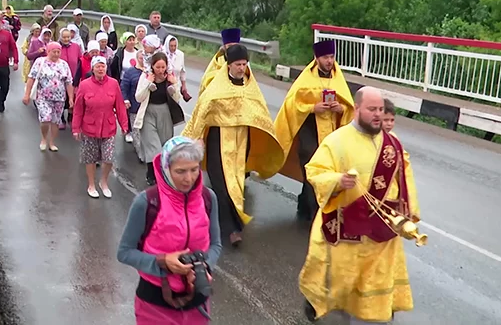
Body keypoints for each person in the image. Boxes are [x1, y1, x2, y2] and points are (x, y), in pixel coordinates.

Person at [299, 86, 420, 324]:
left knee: (376, 289)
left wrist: (408, 212)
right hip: (349, 227)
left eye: (381, 109)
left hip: (382, 231)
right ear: (357, 109)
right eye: (372, 109)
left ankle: (376, 316)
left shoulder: (392, 143)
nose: (378, 114)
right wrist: (336, 181)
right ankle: (321, 303)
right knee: (342, 284)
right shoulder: (337, 140)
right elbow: (315, 172)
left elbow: (403, 177)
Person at [182, 40, 285, 247]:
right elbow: (201, 112)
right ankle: (231, 229)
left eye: (245, 64)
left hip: (241, 142)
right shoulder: (216, 88)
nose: (242, 68)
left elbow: (260, 114)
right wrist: (196, 139)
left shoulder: (251, 88)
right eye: (238, 64)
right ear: (228, 65)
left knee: (236, 184)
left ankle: (232, 224)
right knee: (220, 185)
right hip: (217, 141)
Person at [117, 136, 222, 325]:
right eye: (180, 171)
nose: (188, 178)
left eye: (194, 169)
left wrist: (204, 266)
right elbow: (124, 253)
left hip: (198, 303)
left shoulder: (208, 198)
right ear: (166, 169)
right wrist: (163, 261)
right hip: (154, 305)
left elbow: (215, 245)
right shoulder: (147, 202)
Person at [274, 39, 354, 223]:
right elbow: (292, 104)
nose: (329, 61)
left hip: (331, 133)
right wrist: (312, 107)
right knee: (312, 170)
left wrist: (340, 109)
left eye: (332, 57)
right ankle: (315, 217)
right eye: (325, 57)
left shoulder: (337, 78)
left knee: (325, 172)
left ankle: (304, 204)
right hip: (309, 129)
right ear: (317, 58)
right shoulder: (306, 79)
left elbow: (349, 107)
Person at [71, 56, 129, 199]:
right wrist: (76, 128)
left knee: (108, 158)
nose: (101, 69)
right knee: (90, 159)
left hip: (108, 128)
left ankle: (104, 182)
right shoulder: (84, 85)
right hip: (89, 128)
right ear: (93, 69)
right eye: (98, 66)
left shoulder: (114, 84)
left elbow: (120, 106)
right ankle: (91, 184)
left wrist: (124, 125)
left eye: (103, 66)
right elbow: (78, 109)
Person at [135, 53, 184, 185]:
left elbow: (177, 99)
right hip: (148, 113)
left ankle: (161, 173)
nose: (161, 70)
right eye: (158, 67)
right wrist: (148, 83)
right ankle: (152, 174)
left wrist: (174, 86)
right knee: (153, 146)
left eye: (163, 67)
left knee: (164, 146)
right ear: (152, 66)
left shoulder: (170, 78)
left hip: (165, 113)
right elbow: (138, 97)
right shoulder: (145, 76)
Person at [23, 42, 74, 151]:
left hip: (59, 98)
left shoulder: (64, 65)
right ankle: (44, 138)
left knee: (56, 121)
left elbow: (69, 82)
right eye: (53, 52)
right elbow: (31, 78)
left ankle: (52, 142)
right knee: (46, 118)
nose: (56, 54)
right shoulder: (40, 62)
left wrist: (70, 98)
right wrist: (27, 95)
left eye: (58, 52)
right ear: (48, 51)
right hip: (43, 97)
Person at [198, 28, 240, 96]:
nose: (233, 48)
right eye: (230, 46)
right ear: (224, 46)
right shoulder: (218, 61)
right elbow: (206, 82)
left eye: (235, 46)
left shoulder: (244, 62)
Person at [58, 28, 82, 127]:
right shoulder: (57, 46)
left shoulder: (76, 47)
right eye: (64, 37)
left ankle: (71, 117)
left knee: (73, 98)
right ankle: (61, 118)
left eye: (68, 37)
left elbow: (80, 60)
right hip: (60, 78)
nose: (66, 39)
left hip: (73, 76)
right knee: (61, 97)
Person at [121, 56, 144, 153]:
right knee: (136, 130)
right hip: (134, 106)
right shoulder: (130, 72)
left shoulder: (150, 72)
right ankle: (140, 152)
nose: (143, 59)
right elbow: (124, 87)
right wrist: (125, 99)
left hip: (146, 107)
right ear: (137, 58)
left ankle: (145, 150)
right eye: (140, 58)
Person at [164, 34, 191, 101]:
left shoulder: (180, 55)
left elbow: (182, 71)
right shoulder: (162, 54)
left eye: (175, 46)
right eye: (171, 46)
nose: (173, 48)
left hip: (176, 85)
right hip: (164, 85)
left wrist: (184, 85)